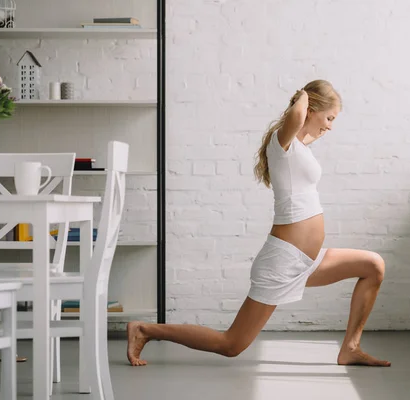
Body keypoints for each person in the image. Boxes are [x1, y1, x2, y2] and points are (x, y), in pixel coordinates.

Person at [127, 79, 390, 367]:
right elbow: (296, 116)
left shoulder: (300, 146)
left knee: (373, 265)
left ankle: (350, 348)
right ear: (310, 108)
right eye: (329, 118)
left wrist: (317, 116)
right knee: (231, 344)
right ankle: (145, 330)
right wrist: (303, 95)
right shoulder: (282, 142)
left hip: (306, 260)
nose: (330, 126)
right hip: (282, 262)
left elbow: (306, 124)